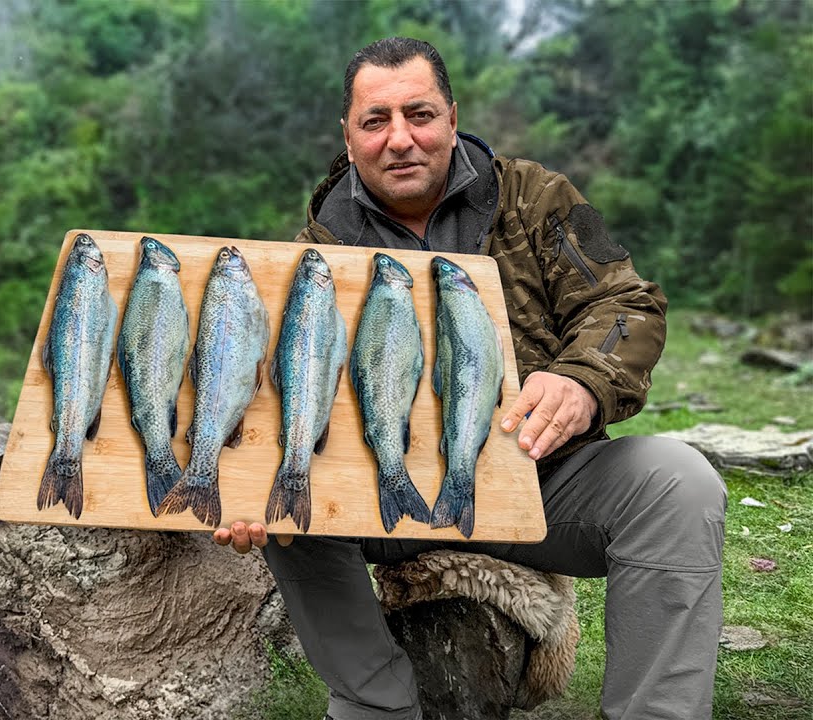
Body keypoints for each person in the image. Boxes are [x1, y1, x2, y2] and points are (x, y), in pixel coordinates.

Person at [212, 37, 726, 720]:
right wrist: (246, 487)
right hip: (379, 496)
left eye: (419, 114)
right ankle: (375, 704)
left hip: (537, 480)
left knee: (679, 482)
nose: (400, 139)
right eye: (375, 121)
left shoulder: (539, 199)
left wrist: (581, 380)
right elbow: (273, 394)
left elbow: (625, 303)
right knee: (285, 506)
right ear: (349, 136)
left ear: (452, 118)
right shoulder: (313, 255)